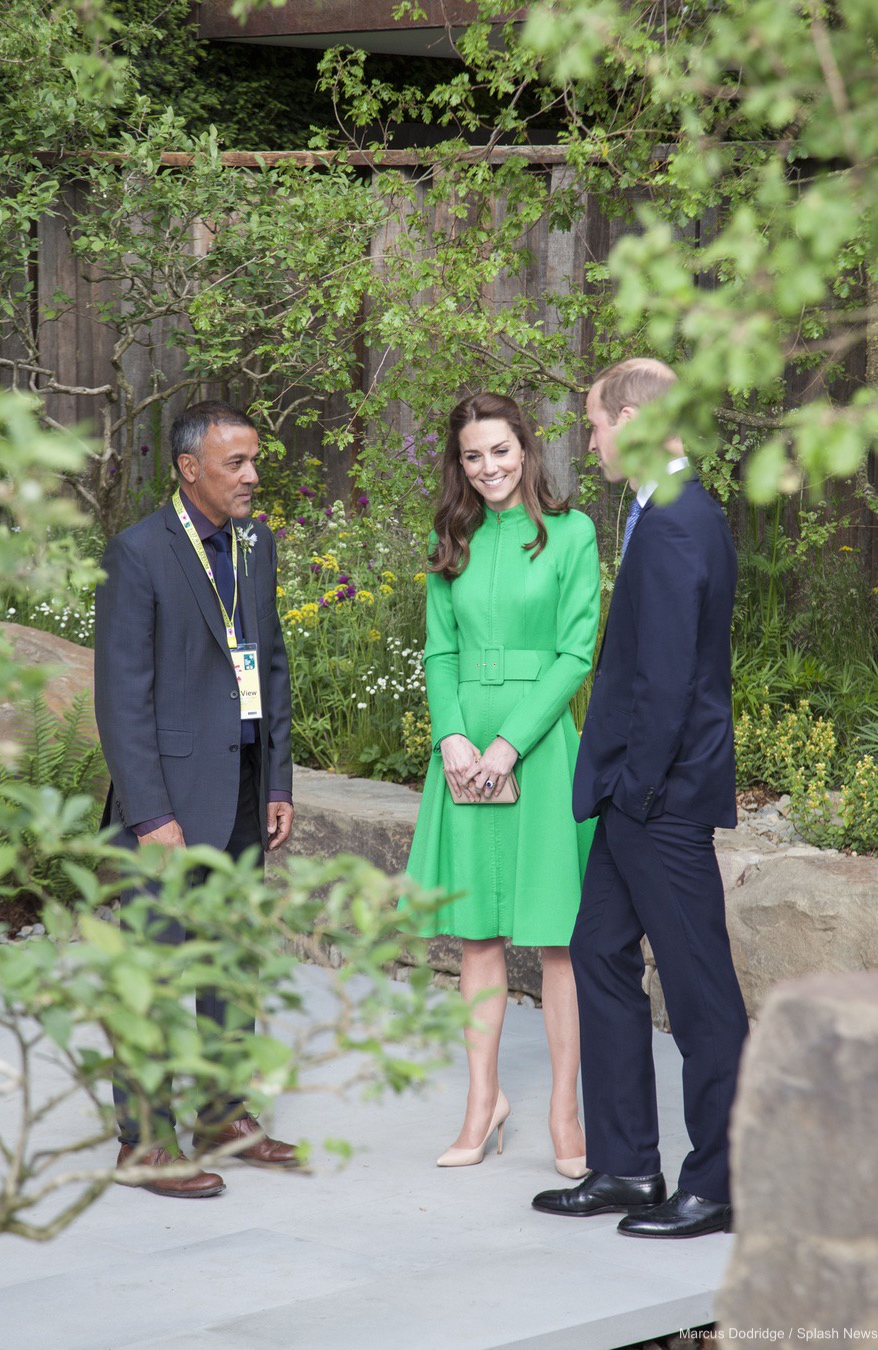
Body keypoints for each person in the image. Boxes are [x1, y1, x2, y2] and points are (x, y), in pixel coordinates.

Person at [532, 358, 749, 1238]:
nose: (589, 439)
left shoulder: (675, 526)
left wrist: (638, 788)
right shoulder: (664, 512)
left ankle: (724, 1179)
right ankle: (625, 1167)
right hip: (637, 796)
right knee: (599, 957)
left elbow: (664, 683)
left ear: (631, 417)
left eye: (593, 422)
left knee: (700, 993)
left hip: (659, 800)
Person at [95, 400, 298, 1199]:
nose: (253, 476)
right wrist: (151, 817)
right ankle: (143, 1144)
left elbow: (269, 664)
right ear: (190, 470)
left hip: (244, 792)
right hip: (170, 807)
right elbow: (122, 700)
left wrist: (278, 779)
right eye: (236, 464)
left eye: (254, 461)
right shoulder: (137, 554)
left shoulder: (255, 543)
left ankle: (219, 1111)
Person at [406, 392, 600, 1173]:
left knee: (556, 939)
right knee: (477, 937)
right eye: (472, 456)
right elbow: (438, 651)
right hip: (460, 753)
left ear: (526, 448)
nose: (488, 468)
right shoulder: (448, 536)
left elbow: (576, 653)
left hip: (539, 749)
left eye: (500, 450)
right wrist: (452, 736)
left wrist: (509, 745)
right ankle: (482, 1105)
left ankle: (564, 1113)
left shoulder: (572, 533)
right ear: (459, 464)